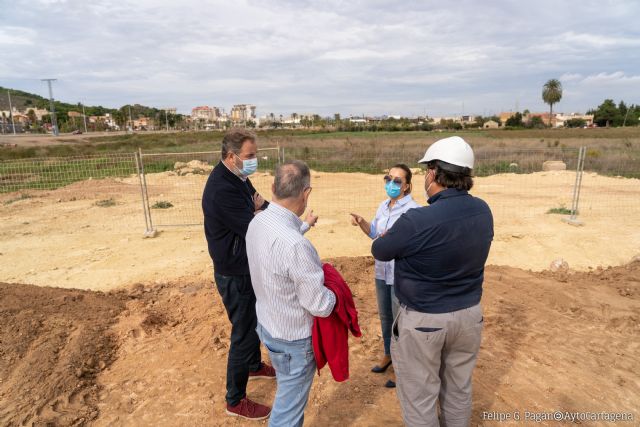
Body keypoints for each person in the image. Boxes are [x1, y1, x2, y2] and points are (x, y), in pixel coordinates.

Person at [371, 136, 494, 427]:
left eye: (427, 170)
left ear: (436, 173)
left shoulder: (417, 220)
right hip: (468, 317)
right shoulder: (483, 211)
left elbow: (380, 249)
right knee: (458, 391)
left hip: (425, 321)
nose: (426, 175)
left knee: (419, 397)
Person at [202, 129, 317, 421]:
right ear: (231, 157)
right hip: (234, 272)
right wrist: (260, 216)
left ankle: (253, 365)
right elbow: (257, 228)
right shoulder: (222, 189)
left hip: (245, 264)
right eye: (250, 156)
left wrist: (262, 212)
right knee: (242, 331)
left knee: (254, 318)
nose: (254, 160)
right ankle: (235, 398)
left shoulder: (239, 178)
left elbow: (262, 208)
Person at [246, 160, 336, 427]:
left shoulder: (257, 223)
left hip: (268, 326)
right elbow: (319, 305)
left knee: (286, 392)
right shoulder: (296, 246)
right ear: (306, 193)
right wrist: (335, 294)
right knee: (288, 408)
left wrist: (303, 225)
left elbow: (284, 235)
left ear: (273, 187)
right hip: (294, 340)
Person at [350, 164, 419, 388]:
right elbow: (375, 234)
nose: (391, 184)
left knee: (401, 322)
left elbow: (411, 244)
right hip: (382, 270)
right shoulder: (383, 206)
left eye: (397, 181)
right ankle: (389, 355)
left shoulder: (413, 211)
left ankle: (403, 368)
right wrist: (362, 222)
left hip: (400, 275)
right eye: (388, 178)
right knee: (386, 318)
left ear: (407, 186)